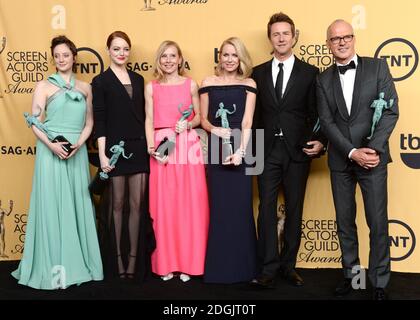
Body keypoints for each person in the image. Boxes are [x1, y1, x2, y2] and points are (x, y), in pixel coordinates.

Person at [12, 35, 103, 289]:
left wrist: (79, 145)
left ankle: (79, 264)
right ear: (53, 59)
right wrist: (51, 145)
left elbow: (89, 123)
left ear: (74, 56)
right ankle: (51, 268)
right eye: (57, 56)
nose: (61, 59)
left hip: (76, 151)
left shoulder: (86, 88)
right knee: (51, 206)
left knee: (76, 205)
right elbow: (35, 121)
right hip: (49, 151)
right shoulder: (43, 86)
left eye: (66, 54)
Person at [316, 19, 399, 300]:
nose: (341, 42)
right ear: (328, 44)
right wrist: (351, 152)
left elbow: (390, 111)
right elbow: (326, 122)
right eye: (335, 38)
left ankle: (378, 283)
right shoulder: (322, 78)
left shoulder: (378, 68)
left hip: (373, 159)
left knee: (377, 222)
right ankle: (354, 278)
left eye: (346, 36)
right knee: (344, 222)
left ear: (353, 39)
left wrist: (372, 149)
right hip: (341, 161)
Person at [251, 12, 327, 288]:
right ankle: (268, 268)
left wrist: (318, 142)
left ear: (294, 37)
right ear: (269, 38)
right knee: (266, 209)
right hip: (267, 150)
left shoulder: (310, 72)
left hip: (298, 152)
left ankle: (289, 266)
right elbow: (254, 117)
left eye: (286, 33)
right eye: (276, 34)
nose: (281, 38)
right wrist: (251, 154)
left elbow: (317, 114)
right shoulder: (257, 73)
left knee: (295, 209)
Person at [92, 31, 154, 281]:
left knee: (137, 207)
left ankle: (133, 263)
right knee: (116, 206)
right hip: (115, 152)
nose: (121, 53)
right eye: (116, 48)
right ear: (108, 50)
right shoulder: (100, 81)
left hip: (138, 149)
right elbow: (101, 120)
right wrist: (104, 155)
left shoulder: (139, 79)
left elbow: (146, 117)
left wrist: (150, 146)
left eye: (125, 49)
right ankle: (117, 261)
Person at [145, 40, 209, 282]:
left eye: (173, 56)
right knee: (164, 207)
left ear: (180, 59)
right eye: (164, 56)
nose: (169, 60)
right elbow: (149, 119)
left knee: (189, 206)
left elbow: (199, 116)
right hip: (162, 146)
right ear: (159, 60)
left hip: (186, 144)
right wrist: (151, 145)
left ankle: (189, 263)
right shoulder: (151, 87)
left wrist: (188, 123)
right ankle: (166, 262)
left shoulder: (191, 84)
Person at [199, 37, 257, 283]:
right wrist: (214, 130)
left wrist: (241, 152)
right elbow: (202, 119)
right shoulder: (207, 82)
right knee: (220, 208)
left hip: (245, 147)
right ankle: (219, 269)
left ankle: (245, 269)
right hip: (215, 145)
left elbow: (247, 123)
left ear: (241, 58)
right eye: (226, 55)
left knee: (242, 208)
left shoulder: (249, 83)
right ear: (219, 57)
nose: (230, 59)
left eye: (235, 55)